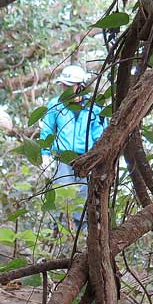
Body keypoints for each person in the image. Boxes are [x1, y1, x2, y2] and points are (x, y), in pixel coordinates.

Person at [40, 64, 106, 227]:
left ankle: (79, 238)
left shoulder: (93, 107)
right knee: (61, 200)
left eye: (69, 86)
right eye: (64, 85)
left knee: (83, 202)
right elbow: (47, 129)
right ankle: (56, 238)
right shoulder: (55, 104)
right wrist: (45, 154)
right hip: (62, 160)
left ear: (80, 87)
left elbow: (100, 134)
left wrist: (99, 159)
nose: (65, 89)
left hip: (86, 160)